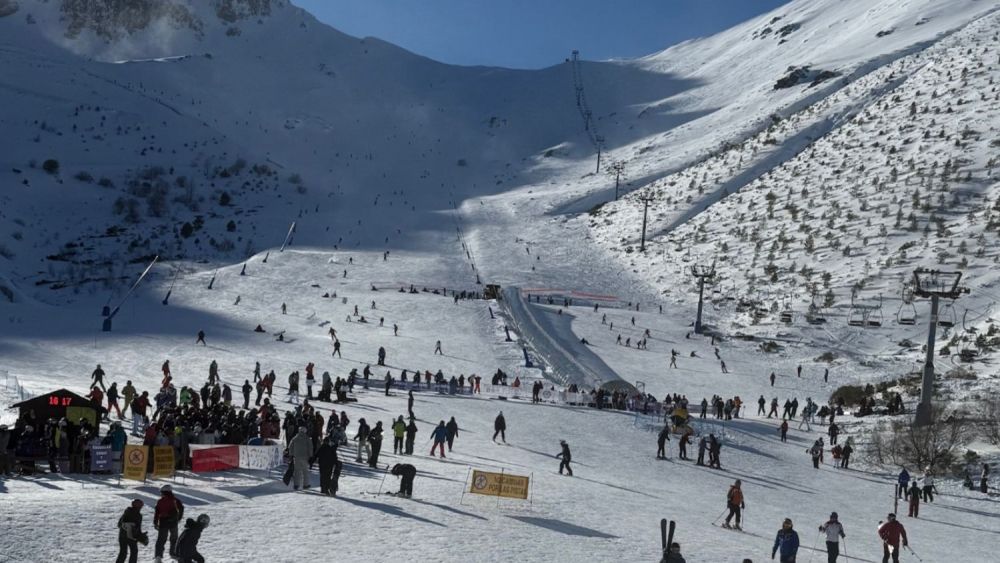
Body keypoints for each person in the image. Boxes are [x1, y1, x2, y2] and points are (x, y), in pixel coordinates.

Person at [153, 484, 184, 563]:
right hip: (173, 522)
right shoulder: (175, 500)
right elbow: (181, 508)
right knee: (174, 539)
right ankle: (173, 553)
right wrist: (179, 518)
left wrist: (155, 523)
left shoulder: (160, 501)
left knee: (161, 540)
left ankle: (158, 557)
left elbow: (157, 513)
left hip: (163, 522)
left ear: (163, 492)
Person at [116, 499, 148, 563]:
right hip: (131, 537)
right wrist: (142, 536)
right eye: (141, 506)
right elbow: (137, 528)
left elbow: (119, 524)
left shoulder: (126, 512)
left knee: (123, 553)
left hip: (122, 536)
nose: (141, 507)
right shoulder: (138, 515)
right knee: (134, 552)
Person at [288, 426, 313, 490]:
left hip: (296, 457)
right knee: (305, 471)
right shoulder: (307, 438)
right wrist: (310, 456)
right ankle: (305, 485)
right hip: (305, 457)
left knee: (297, 471)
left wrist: (291, 455)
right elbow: (310, 448)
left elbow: (290, 447)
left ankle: (296, 485)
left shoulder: (295, 438)